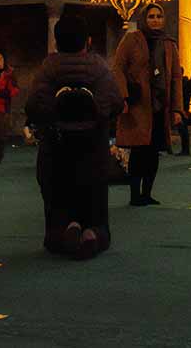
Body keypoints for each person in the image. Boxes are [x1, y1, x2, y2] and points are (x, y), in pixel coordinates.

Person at [25, 13, 122, 259]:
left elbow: (34, 106)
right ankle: (92, 231)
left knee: (58, 196)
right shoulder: (99, 67)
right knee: (94, 198)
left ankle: (65, 228)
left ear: (56, 42)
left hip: (57, 146)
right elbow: (115, 103)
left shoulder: (49, 67)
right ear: (87, 41)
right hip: (92, 146)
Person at [112, 2, 180, 206]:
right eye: (151, 16)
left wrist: (177, 108)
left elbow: (176, 77)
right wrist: (123, 96)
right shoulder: (132, 39)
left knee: (154, 151)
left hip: (159, 105)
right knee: (139, 151)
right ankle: (135, 195)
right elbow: (118, 68)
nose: (155, 20)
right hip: (138, 105)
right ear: (144, 19)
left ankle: (147, 193)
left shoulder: (168, 44)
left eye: (159, 16)